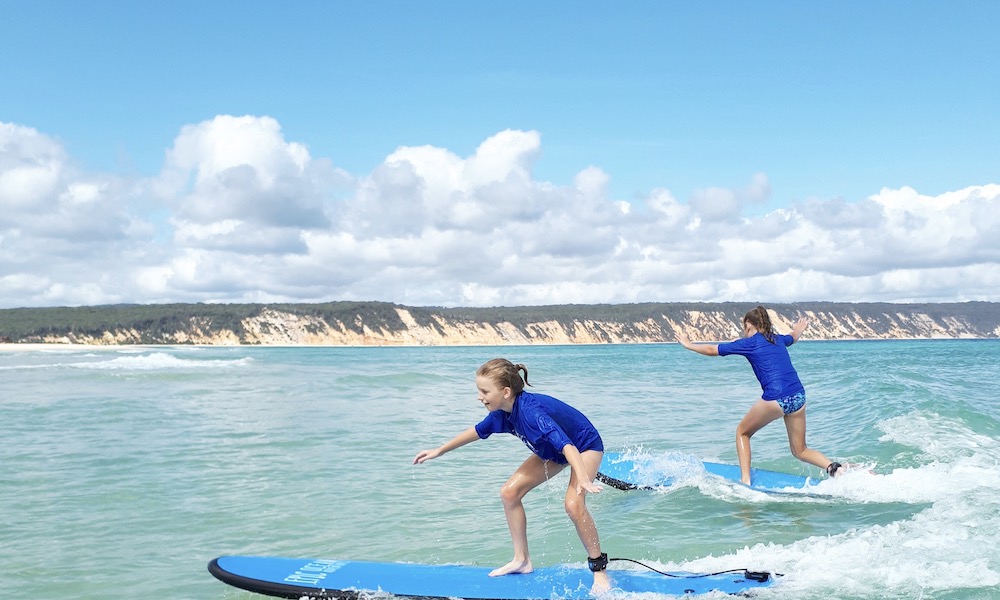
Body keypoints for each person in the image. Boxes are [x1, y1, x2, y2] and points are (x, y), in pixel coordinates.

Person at [413, 358, 612, 594]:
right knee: (509, 493)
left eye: (485, 391)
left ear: (505, 392)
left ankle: (599, 570)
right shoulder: (502, 414)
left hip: (583, 446)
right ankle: (522, 560)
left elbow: (567, 445)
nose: (479, 396)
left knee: (573, 503)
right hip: (552, 451)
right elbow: (475, 432)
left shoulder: (532, 414)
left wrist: (583, 477)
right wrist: (439, 450)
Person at [674, 305, 842, 486]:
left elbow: (712, 350)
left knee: (742, 432)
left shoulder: (750, 342)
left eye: (744, 328)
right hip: (798, 396)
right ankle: (835, 469)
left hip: (777, 398)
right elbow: (792, 338)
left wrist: (688, 344)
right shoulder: (777, 339)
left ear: (749, 325)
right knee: (800, 450)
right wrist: (797, 331)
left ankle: (745, 481)